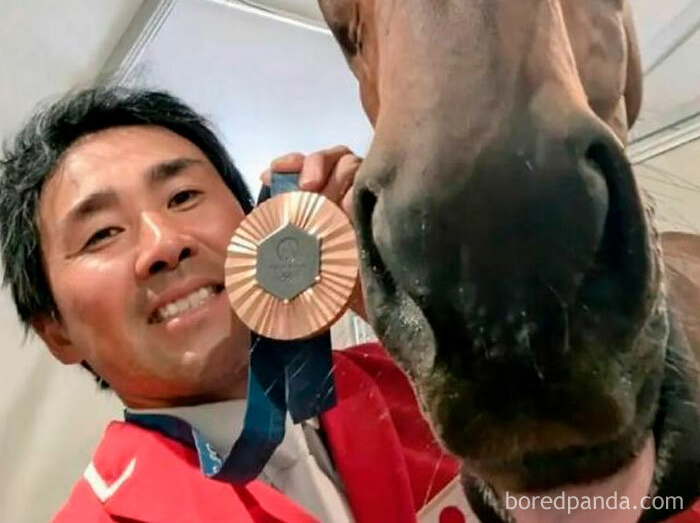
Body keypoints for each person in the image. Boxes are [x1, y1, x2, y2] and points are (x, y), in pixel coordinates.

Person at [0, 86, 467, 522]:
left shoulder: (425, 381)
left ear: (257, 220)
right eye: (102, 233)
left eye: (183, 196)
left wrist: (409, 302)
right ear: (56, 332)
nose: (165, 244)